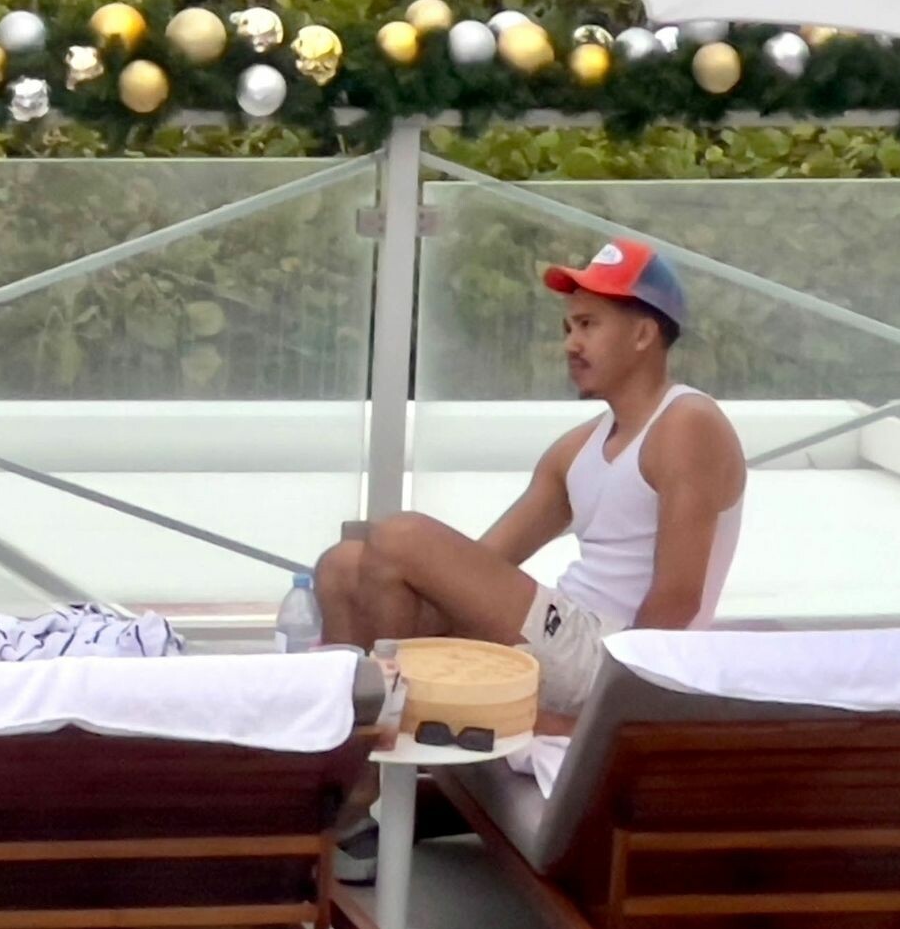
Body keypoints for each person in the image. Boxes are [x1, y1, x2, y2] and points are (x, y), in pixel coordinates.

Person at [317, 239, 747, 722]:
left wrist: (613, 716)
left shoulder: (687, 423)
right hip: (565, 635)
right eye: (568, 327)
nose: (571, 345)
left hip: (618, 657)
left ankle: (399, 720)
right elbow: (482, 562)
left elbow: (678, 599)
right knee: (343, 565)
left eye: (588, 325)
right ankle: (346, 749)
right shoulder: (576, 449)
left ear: (644, 334)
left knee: (401, 535)